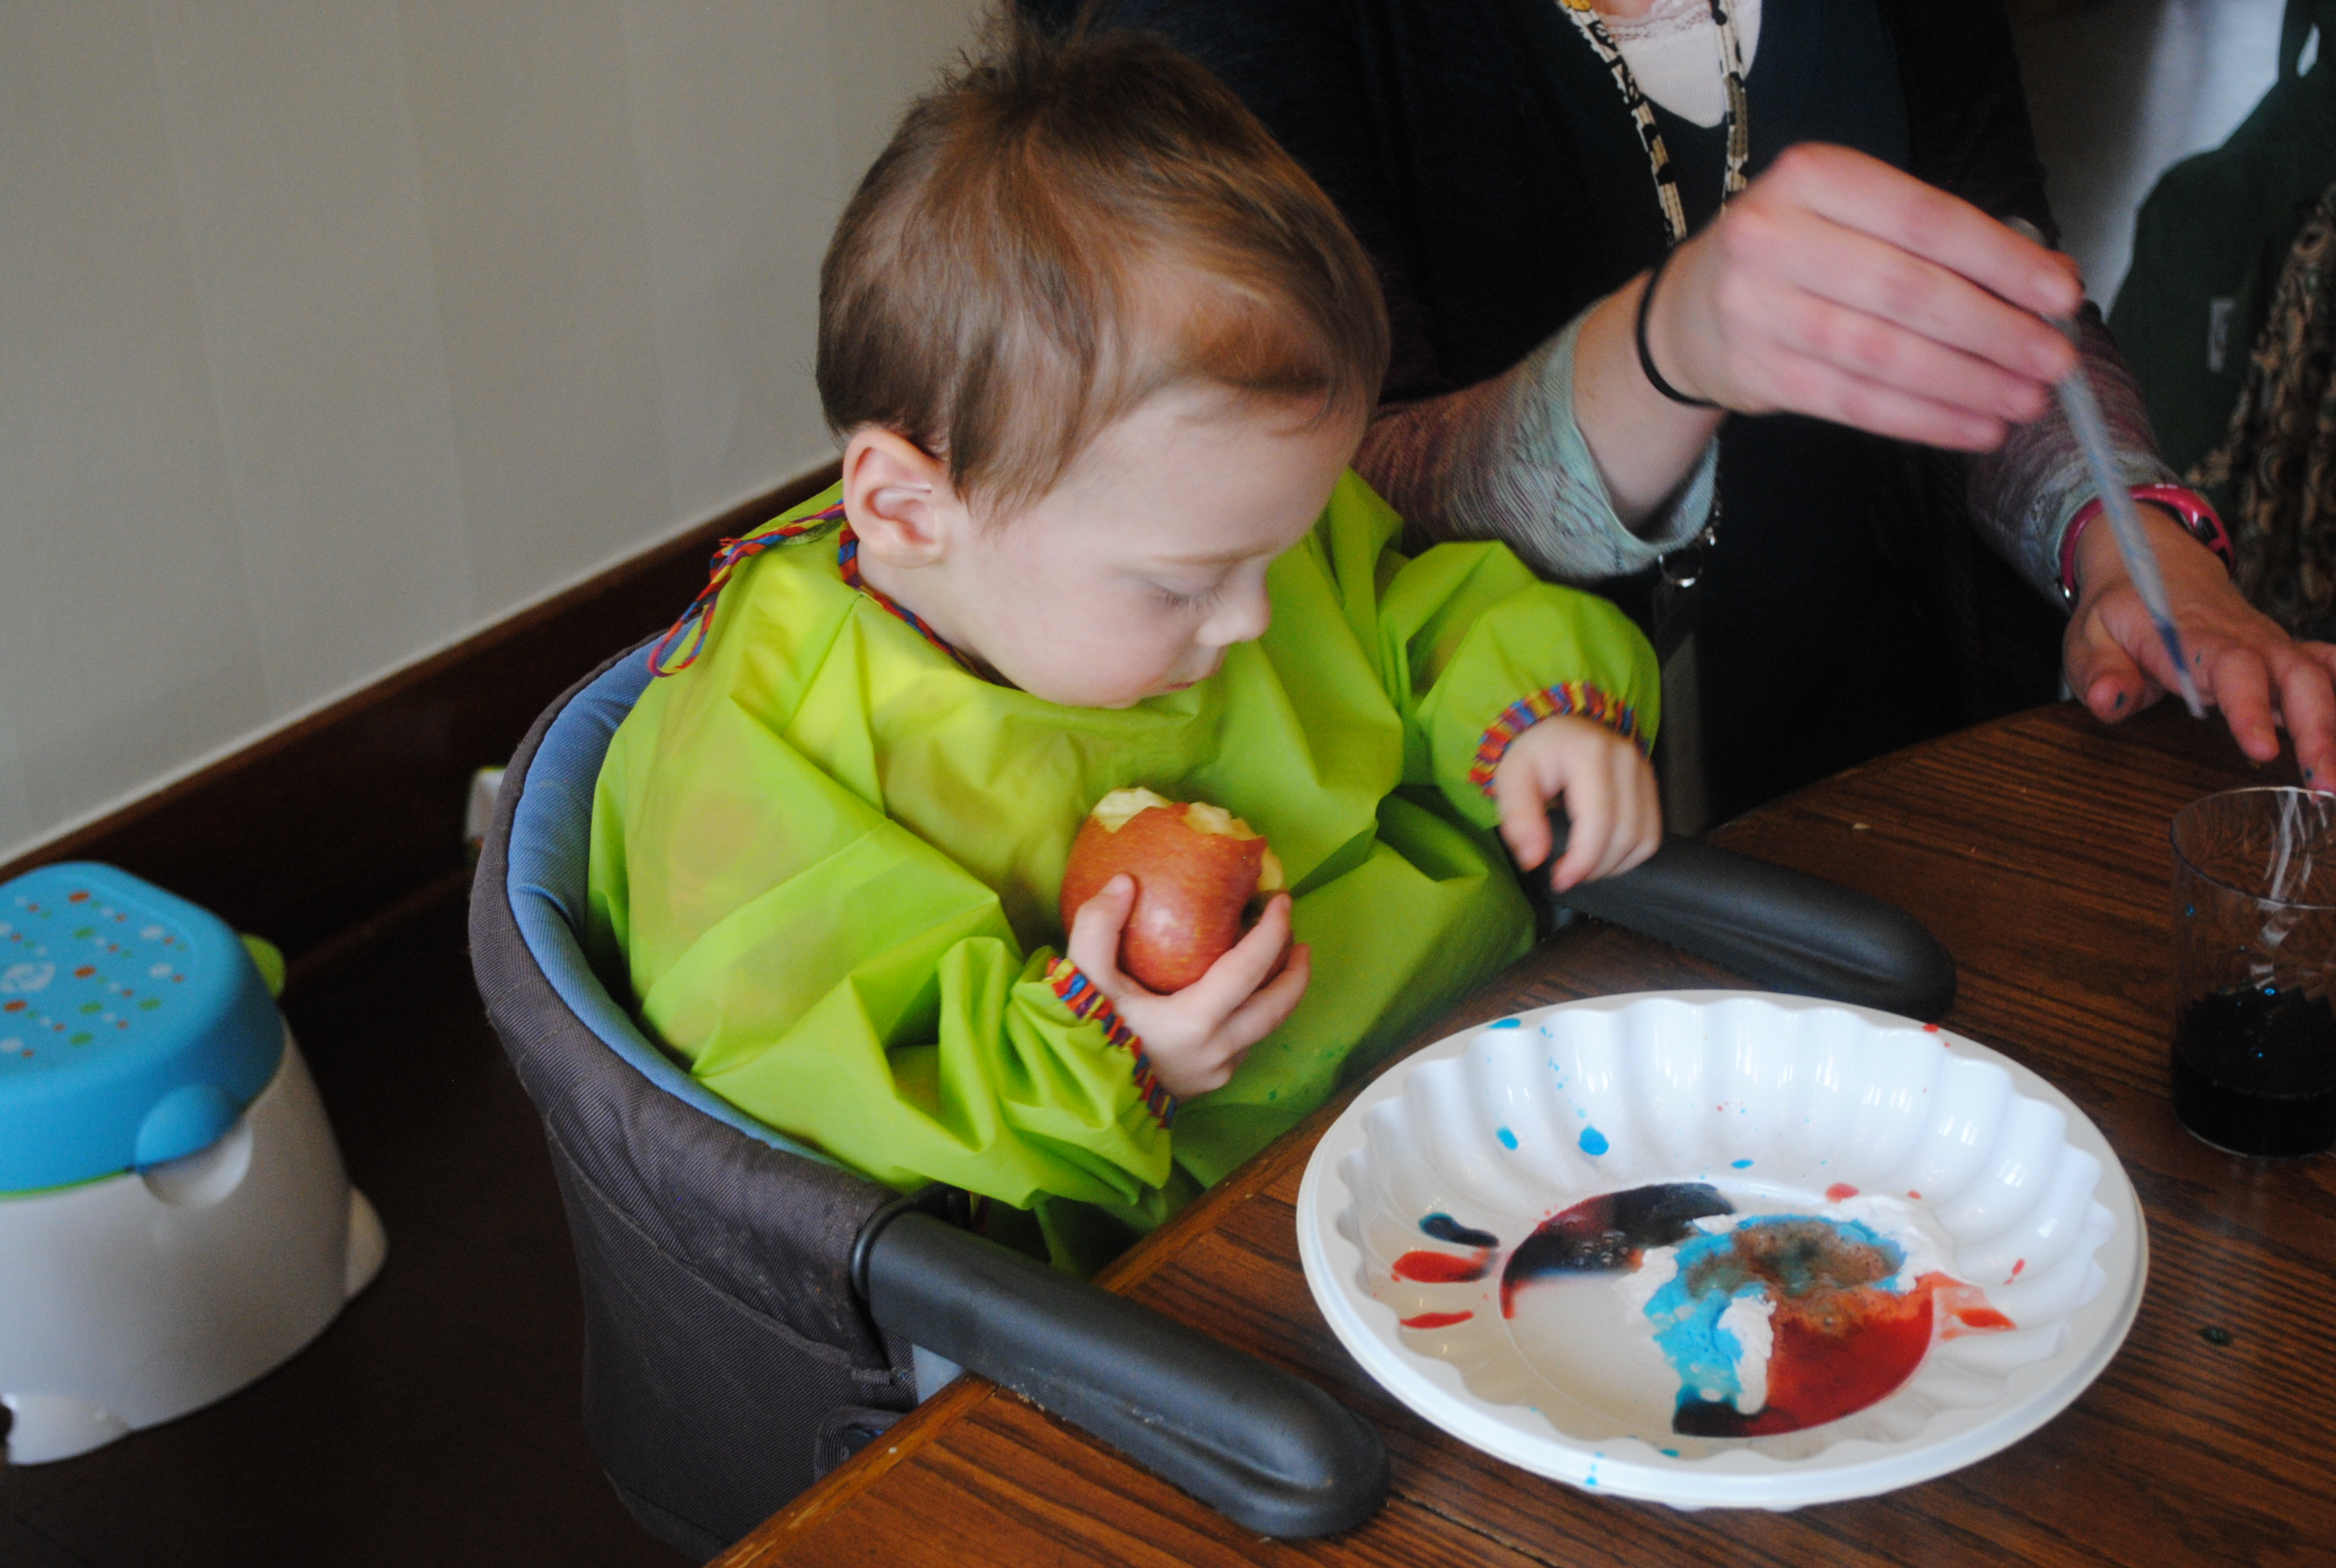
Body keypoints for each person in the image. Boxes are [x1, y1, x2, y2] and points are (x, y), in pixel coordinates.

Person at [586, 13, 1665, 1270]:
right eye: (1183, 587)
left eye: (1283, 545)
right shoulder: (772, 745)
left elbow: (1421, 607)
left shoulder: (1207, 519)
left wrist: (1535, 714)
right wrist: (1100, 1060)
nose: (1258, 615)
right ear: (909, 509)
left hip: (1494, 1075)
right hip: (1183, 1246)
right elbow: (786, 1072)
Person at [1088, 0, 2336, 821]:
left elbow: (1996, 279)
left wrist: (2133, 548)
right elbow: (1318, 515)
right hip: (1504, 879)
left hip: (1905, 781)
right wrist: (1662, 356)